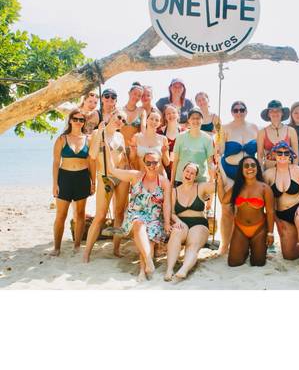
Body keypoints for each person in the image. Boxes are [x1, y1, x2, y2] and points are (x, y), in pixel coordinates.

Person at [104, 142, 171, 281]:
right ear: (144, 162)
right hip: (136, 214)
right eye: (149, 163)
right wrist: (105, 147)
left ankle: (143, 270)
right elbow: (111, 170)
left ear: (159, 163)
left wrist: (166, 223)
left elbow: (167, 205)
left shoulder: (164, 182)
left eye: (155, 163)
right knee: (139, 224)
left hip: (154, 218)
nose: (152, 166)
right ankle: (149, 261)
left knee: (149, 239)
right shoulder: (135, 176)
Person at [83, 110, 130, 262]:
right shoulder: (98, 132)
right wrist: (100, 134)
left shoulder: (120, 136)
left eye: (123, 120)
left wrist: (127, 172)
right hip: (105, 177)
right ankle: (86, 254)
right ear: (111, 116)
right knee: (100, 216)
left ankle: (116, 249)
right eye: (119, 117)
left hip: (121, 177)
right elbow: (92, 155)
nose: (120, 121)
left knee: (119, 213)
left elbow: (123, 157)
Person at [263, 141, 299, 274]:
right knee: (288, 255)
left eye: (286, 153)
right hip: (283, 215)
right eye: (280, 152)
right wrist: (276, 221)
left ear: (290, 155)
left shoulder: (298, 171)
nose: (283, 155)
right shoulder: (268, 174)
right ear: (274, 154)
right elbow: (269, 204)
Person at [51, 109, 95, 256]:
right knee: (61, 215)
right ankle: (57, 248)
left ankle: (77, 245)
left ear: (84, 123)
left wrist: (93, 181)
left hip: (82, 178)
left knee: (80, 214)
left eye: (81, 120)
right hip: (64, 178)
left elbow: (91, 163)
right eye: (75, 119)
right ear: (70, 120)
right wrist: (55, 184)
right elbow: (56, 163)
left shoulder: (88, 139)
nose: (78, 122)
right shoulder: (62, 139)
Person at [217, 156, 275, 267]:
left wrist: (270, 233)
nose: (250, 168)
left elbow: (270, 212)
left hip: (259, 230)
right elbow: (223, 200)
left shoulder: (264, 188)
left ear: (257, 168)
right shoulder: (237, 187)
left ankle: (255, 248)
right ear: (241, 170)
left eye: (253, 165)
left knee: (258, 263)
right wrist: (219, 182)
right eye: (246, 166)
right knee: (233, 263)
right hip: (240, 229)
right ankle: (245, 249)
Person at [218, 101, 258, 254]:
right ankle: (224, 244)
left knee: (243, 208)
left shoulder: (254, 128)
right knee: (227, 208)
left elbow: (259, 154)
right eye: (236, 110)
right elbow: (219, 150)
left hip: (248, 174)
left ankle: (242, 241)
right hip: (228, 171)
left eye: (242, 110)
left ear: (246, 111)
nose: (239, 113)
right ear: (231, 112)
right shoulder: (225, 128)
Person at [164, 162, 216, 281]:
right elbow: (171, 212)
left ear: (195, 176)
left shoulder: (200, 187)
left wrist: (213, 174)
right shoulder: (174, 191)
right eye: (187, 171)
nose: (189, 174)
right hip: (181, 222)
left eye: (192, 173)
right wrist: (177, 221)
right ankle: (169, 269)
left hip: (198, 223)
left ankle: (184, 269)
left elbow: (216, 187)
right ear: (182, 172)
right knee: (175, 235)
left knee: (193, 244)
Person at [170, 107, 215, 187]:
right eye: (193, 118)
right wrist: (172, 181)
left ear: (202, 120)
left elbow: (210, 163)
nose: (195, 120)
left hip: (200, 181)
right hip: (181, 180)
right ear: (188, 120)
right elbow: (175, 160)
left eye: (198, 118)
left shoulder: (208, 139)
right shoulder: (180, 137)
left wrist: (211, 180)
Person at [257, 100, 299, 170]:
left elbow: (296, 156)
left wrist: (294, 172)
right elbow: (260, 156)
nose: (275, 113)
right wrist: (261, 173)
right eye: (271, 111)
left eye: (278, 110)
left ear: (282, 113)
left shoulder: (291, 131)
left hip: (287, 171)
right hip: (269, 171)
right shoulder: (262, 132)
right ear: (268, 114)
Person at [130, 109, 169, 174]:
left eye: (157, 120)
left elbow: (167, 163)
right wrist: (133, 152)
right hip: (142, 175)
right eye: (151, 119)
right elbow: (131, 159)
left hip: (159, 175)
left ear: (160, 123)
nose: (154, 121)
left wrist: (164, 152)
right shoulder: (136, 137)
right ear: (146, 120)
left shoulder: (163, 139)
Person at [121, 82, 146, 164]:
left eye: (139, 95)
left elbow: (143, 131)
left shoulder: (142, 111)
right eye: (134, 93)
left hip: (135, 149)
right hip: (120, 149)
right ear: (129, 93)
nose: (136, 97)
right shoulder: (119, 110)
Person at [158, 104, 181, 180]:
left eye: (174, 112)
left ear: (178, 114)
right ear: (165, 116)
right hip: (163, 170)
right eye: (168, 113)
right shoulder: (159, 132)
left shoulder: (184, 132)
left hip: (180, 170)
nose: (171, 115)